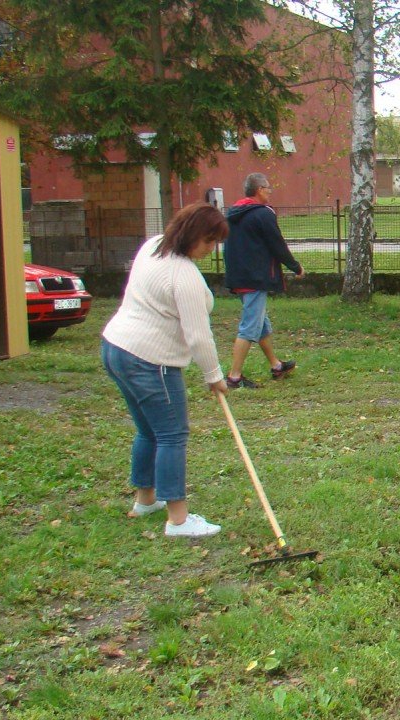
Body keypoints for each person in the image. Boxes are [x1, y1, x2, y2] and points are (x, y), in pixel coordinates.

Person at [101, 203, 230, 538]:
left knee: (149, 430)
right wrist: (214, 375)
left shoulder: (153, 246)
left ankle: (146, 500)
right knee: (172, 434)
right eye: (208, 241)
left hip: (115, 348)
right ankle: (178, 520)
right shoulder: (183, 275)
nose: (210, 249)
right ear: (191, 235)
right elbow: (199, 335)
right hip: (150, 361)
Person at [223, 172, 304, 389]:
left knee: (261, 324)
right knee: (250, 327)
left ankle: (276, 366)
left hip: (239, 277)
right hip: (255, 278)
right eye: (268, 188)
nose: (270, 192)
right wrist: (295, 267)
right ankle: (234, 377)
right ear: (259, 190)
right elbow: (276, 244)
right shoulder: (262, 214)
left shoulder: (234, 213)